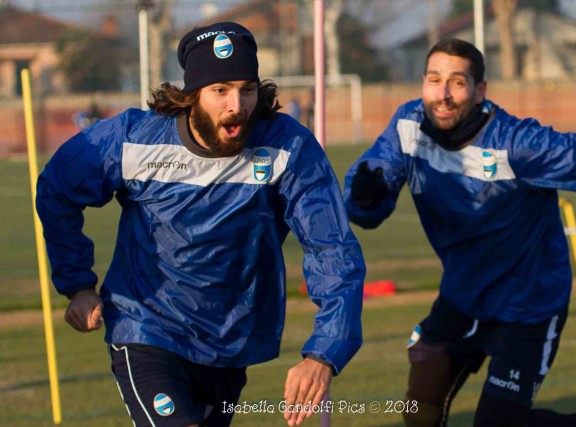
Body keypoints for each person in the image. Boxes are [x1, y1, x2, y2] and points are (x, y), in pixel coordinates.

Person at [36, 22, 365, 427]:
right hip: (146, 326)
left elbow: (331, 246)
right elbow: (57, 189)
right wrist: (78, 284)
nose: (236, 105)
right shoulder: (133, 138)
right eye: (220, 90)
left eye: (246, 89)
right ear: (192, 95)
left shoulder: (287, 148)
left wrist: (323, 353)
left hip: (228, 341)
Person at [343, 38, 576, 427]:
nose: (443, 94)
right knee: (419, 413)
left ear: (480, 91)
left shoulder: (519, 145)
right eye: (434, 79)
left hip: (528, 304)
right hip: (462, 296)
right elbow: (367, 201)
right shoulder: (408, 126)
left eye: (457, 82)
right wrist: (366, 197)